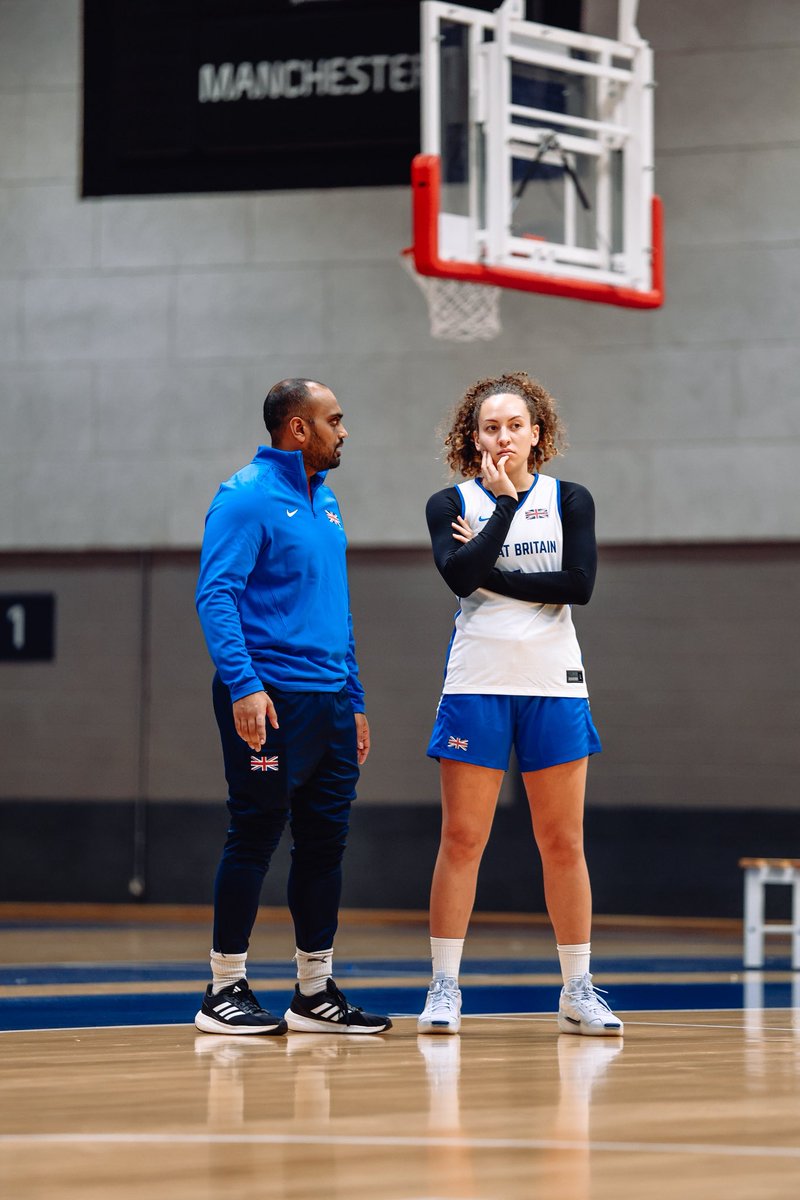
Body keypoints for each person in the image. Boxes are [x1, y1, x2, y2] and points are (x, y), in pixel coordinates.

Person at [417, 371, 622, 1038]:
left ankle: (578, 988)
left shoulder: (571, 499)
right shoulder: (449, 502)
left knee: (563, 841)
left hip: (553, 684)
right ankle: (444, 987)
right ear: (473, 438)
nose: (503, 437)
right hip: (476, 681)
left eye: (514, 426)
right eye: (490, 427)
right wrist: (504, 508)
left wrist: (492, 572)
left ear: (537, 434)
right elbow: (457, 575)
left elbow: (579, 585)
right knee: (462, 839)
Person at [194, 378, 391, 1036]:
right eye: (334, 420)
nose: (344, 430)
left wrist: (354, 700)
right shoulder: (246, 497)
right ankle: (223, 988)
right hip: (270, 698)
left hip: (330, 700)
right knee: (255, 833)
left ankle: (314, 993)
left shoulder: (326, 502)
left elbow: (337, 610)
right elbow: (216, 595)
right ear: (298, 428)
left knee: (324, 845)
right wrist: (244, 686)